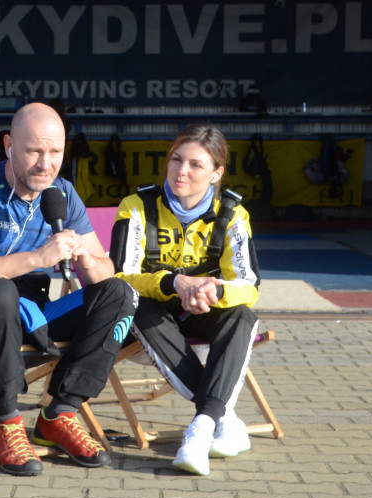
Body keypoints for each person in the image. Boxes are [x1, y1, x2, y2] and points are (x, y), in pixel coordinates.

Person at [0, 102, 137, 476]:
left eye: (55, 152)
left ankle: (60, 413)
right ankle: (6, 421)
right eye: (34, 151)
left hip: (27, 315)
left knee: (119, 293)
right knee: (0, 291)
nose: (45, 164)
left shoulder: (62, 194)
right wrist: (37, 258)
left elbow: (103, 272)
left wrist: (86, 258)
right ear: (9, 146)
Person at [109, 123, 261, 476]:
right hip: (149, 325)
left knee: (241, 315)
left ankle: (201, 427)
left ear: (216, 173)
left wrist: (214, 291)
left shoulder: (233, 214)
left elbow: (249, 285)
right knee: (138, 307)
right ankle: (222, 419)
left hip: (203, 314)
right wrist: (175, 283)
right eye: (176, 159)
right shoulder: (136, 207)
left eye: (196, 165)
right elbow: (120, 277)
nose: (181, 171)